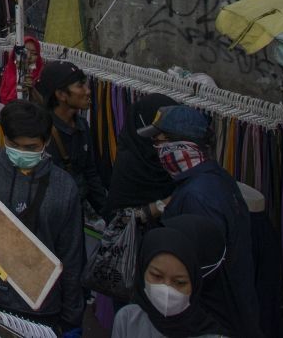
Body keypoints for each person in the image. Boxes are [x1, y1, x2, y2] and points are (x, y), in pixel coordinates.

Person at [0, 100, 85, 331]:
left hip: (42, 311)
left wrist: (71, 316)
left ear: (46, 142)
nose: (22, 153)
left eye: (31, 147)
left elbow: (71, 255)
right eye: (15, 145)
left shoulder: (65, 187)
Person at [139, 106, 260, 337]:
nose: (156, 148)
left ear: (180, 146)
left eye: (160, 140)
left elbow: (201, 269)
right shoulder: (214, 179)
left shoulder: (198, 197)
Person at [112, 214, 229, 338]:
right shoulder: (128, 319)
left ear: (196, 284)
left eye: (179, 282)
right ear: (142, 271)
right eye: (157, 276)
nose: (166, 289)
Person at [34, 60, 108, 220]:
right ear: (61, 94)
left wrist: (108, 213)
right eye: (80, 86)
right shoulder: (41, 133)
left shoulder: (81, 124)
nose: (88, 91)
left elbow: (90, 172)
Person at [105, 94, 179, 219]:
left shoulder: (172, 154)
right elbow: (120, 217)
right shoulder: (131, 160)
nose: (165, 137)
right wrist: (163, 205)